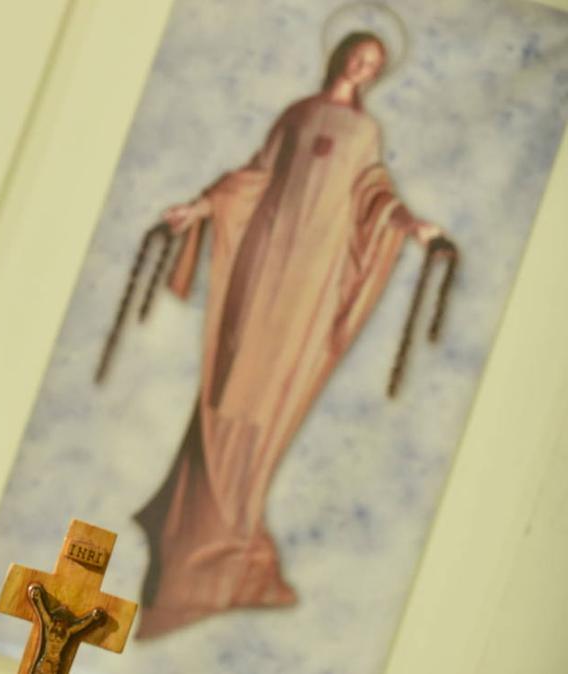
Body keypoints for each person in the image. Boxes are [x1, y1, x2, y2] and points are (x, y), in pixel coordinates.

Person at [131, 32, 456, 638]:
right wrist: (200, 207)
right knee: (230, 387)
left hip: (314, 278)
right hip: (262, 264)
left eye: (374, 64)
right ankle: (197, 529)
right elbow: (256, 176)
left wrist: (413, 226)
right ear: (341, 55)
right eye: (359, 55)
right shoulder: (299, 115)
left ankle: (227, 532)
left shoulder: (367, 135)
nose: (362, 66)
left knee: (266, 398)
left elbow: (374, 199)